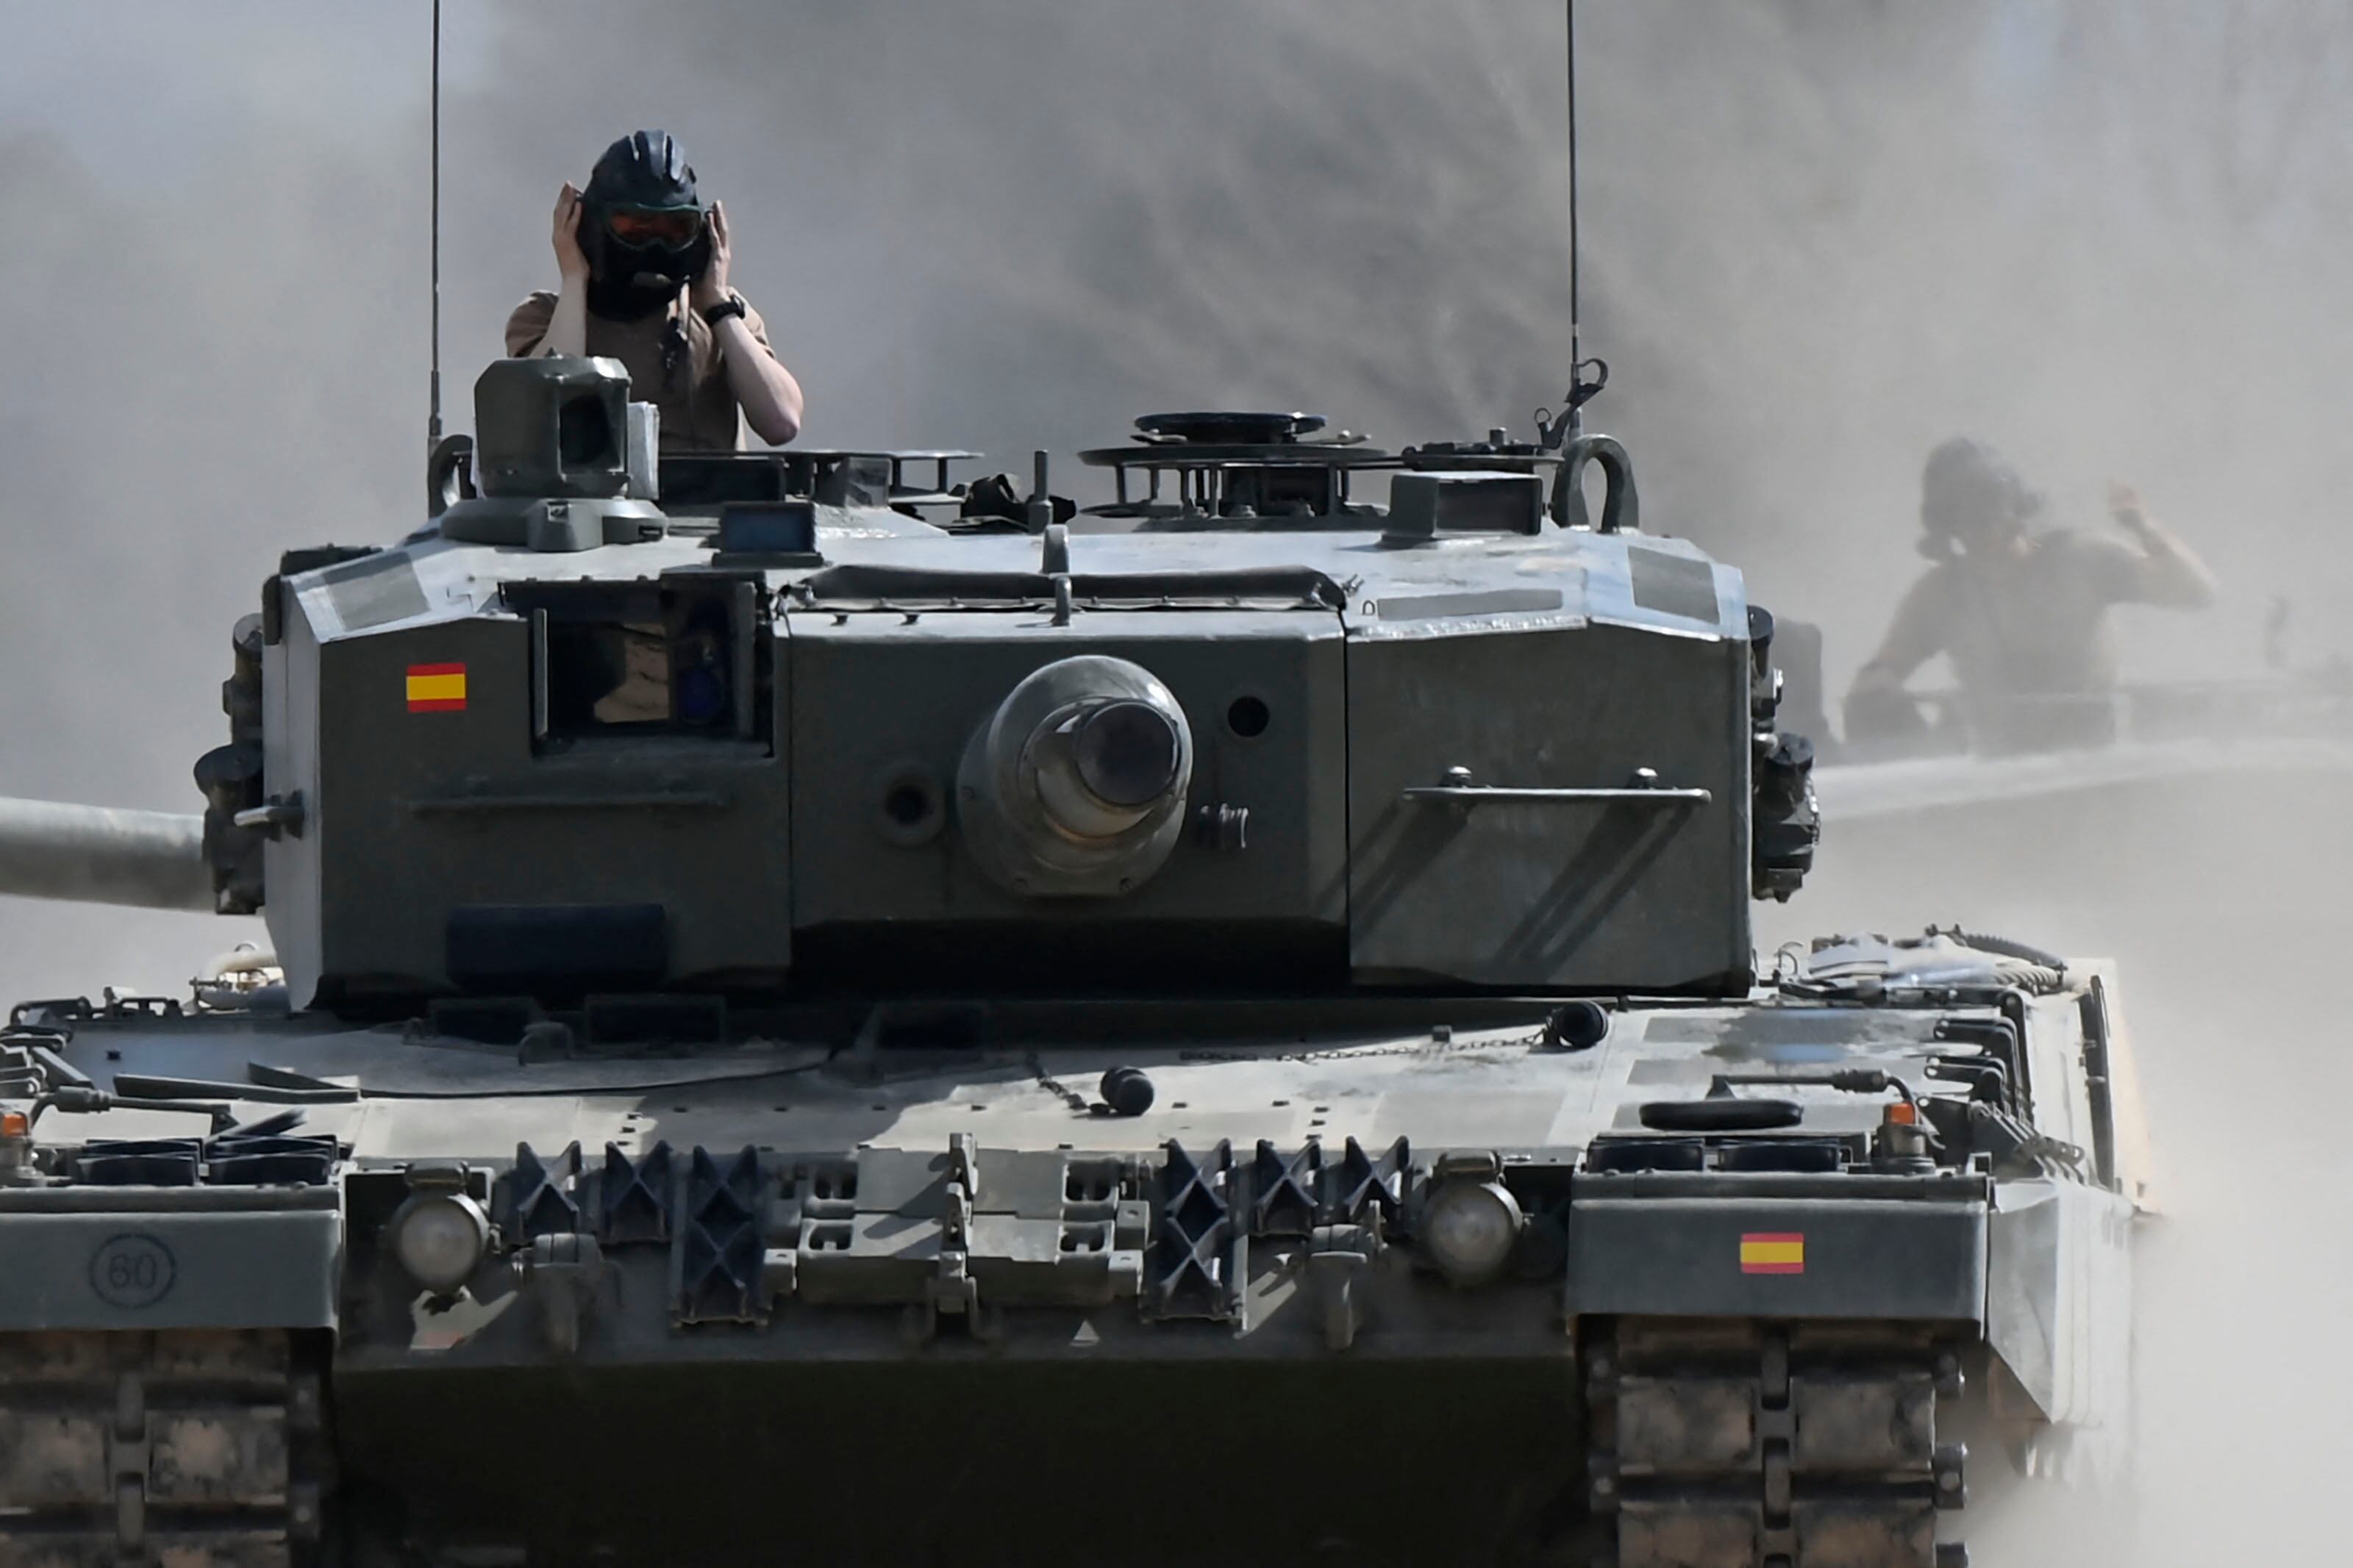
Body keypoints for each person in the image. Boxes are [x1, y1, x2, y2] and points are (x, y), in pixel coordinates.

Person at [1845, 437, 2218, 752]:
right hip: (1990, 772)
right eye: (1966, 516)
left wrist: (2144, 529)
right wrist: (1885, 706)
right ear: (1949, 528)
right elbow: (1883, 672)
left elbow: (2197, 593)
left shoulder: (2081, 560)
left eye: (1991, 508)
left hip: (2092, 760)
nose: (1985, 527)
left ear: (2015, 506)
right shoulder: (1941, 594)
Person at [505, 130, 803, 451]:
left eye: (676, 230)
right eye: (634, 229)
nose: (655, 246)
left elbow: (781, 422)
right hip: (598, 499)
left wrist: (719, 306)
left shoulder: (722, 314)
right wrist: (575, 279)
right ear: (589, 227)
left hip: (713, 496)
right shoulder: (544, 316)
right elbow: (545, 415)